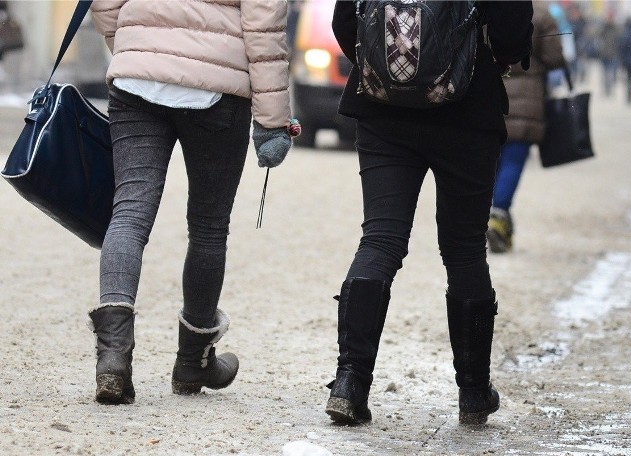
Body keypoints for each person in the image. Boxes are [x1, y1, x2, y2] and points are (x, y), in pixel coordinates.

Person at [326, 1, 533, 426]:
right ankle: (474, 392)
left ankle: (350, 383)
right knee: (464, 251)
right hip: (468, 112)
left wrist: (392, 72)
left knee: (380, 238)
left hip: (383, 112)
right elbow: (512, 31)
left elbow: (346, 22)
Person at [89, 0, 297, 404]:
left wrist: (137, 48)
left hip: (137, 78)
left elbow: (105, 4)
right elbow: (263, 26)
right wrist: (272, 121)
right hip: (217, 86)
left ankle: (112, 358)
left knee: (129, 210)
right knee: (208, 225)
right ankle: (192, 361)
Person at [487, 2, 566, 253]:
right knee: (513, 160)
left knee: (492, 162)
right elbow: (554, 58)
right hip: (528, 101)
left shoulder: (487, 7)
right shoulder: (542, 14)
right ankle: (498, 215)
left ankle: (487, 216)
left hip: (492, 95)